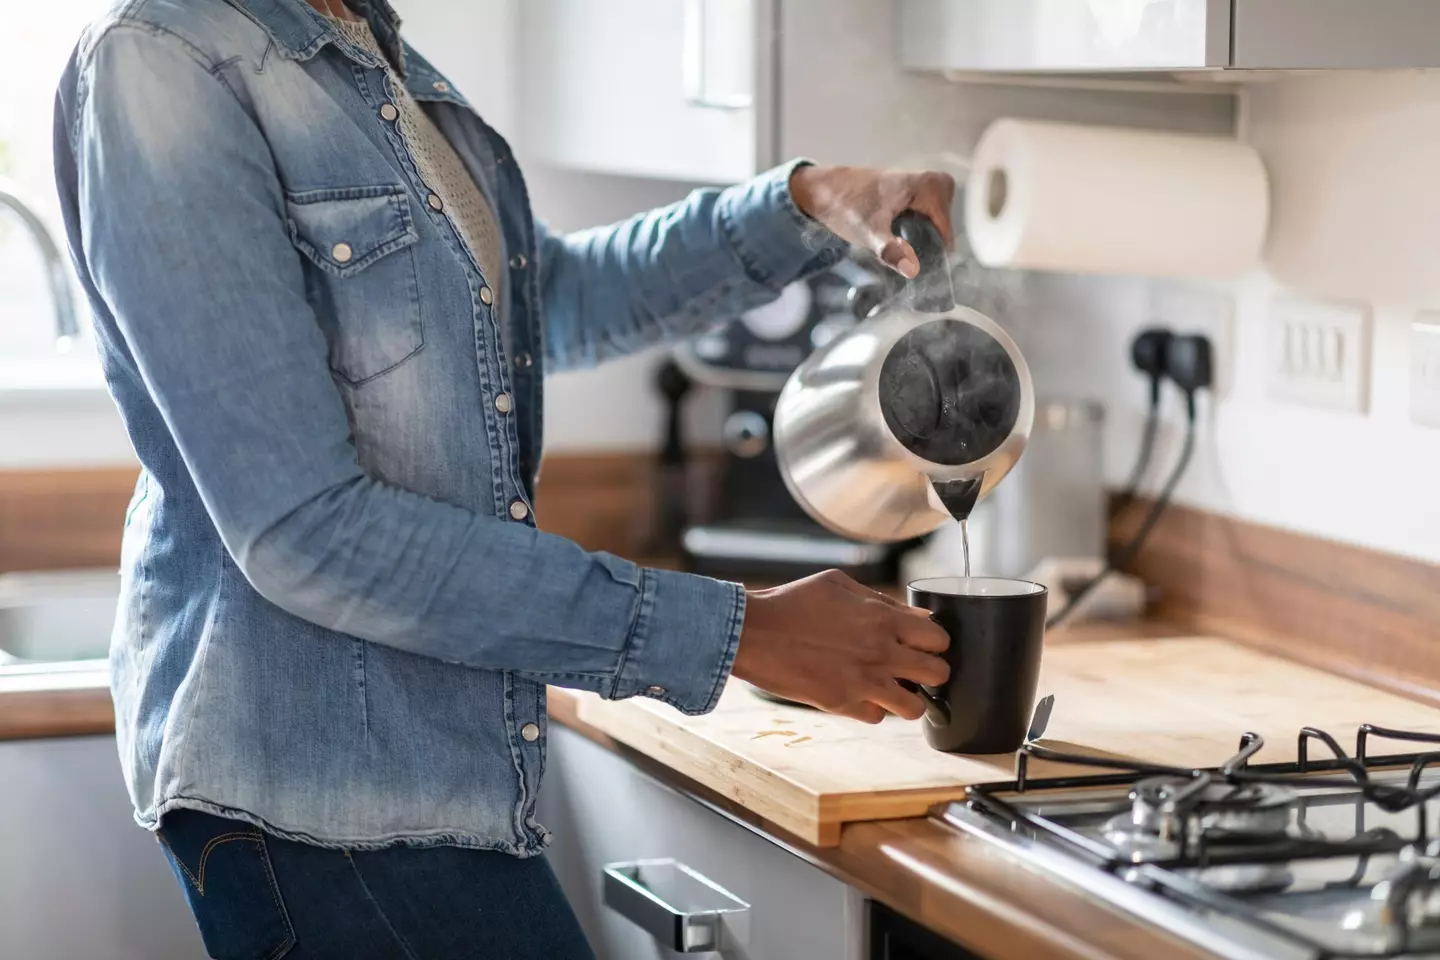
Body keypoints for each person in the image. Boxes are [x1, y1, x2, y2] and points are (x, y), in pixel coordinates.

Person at [53, 0, 955, 956]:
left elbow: (537, 301)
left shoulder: (357, 43)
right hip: (319, 799)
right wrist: (740, 632)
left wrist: (805, 205)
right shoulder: (163, 61)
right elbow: (307, 531)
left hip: (432, 775)